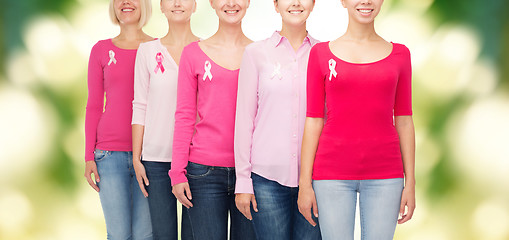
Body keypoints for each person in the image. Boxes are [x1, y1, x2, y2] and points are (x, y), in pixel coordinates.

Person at [297, 0, 416, 239]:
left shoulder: (401, 54)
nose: (366, 1)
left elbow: (404, 120)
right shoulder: (320, 54)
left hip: (386, 175)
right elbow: (313, 120)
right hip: (331, 174)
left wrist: (410, 182)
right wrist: (304, 184)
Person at [234, 0, 321, 239]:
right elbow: (244, 120)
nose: (295, 3)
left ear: (313, 4)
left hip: (315, 179)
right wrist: (243, 180)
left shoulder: (324, 54)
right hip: (266, 181)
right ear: (275, 4)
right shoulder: (255, 54)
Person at [169, 0, 256, 239]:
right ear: (212, 3)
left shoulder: (261, 55)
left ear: (248, 2)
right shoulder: (193, 53)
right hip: (203, 173)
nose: (231, 3)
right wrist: (177, 172)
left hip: (250, 174)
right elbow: (185, 115)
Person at [83, 0, 154, 239]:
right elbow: (94, 105)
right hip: (109, 156)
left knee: (145, 234)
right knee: (119, 234)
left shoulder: (158, 48)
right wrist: (88, 156)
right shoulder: (101, 50)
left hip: (149, 155)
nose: (126, 2)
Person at [131, 0, 199, 239]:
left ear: (195, 5)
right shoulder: (148, 51)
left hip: (197, 161)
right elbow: (140, 105)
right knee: (163, 234)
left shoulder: (206, 50)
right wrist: (136, 157)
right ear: (161, 6)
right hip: (155, 161)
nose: (177, 3)